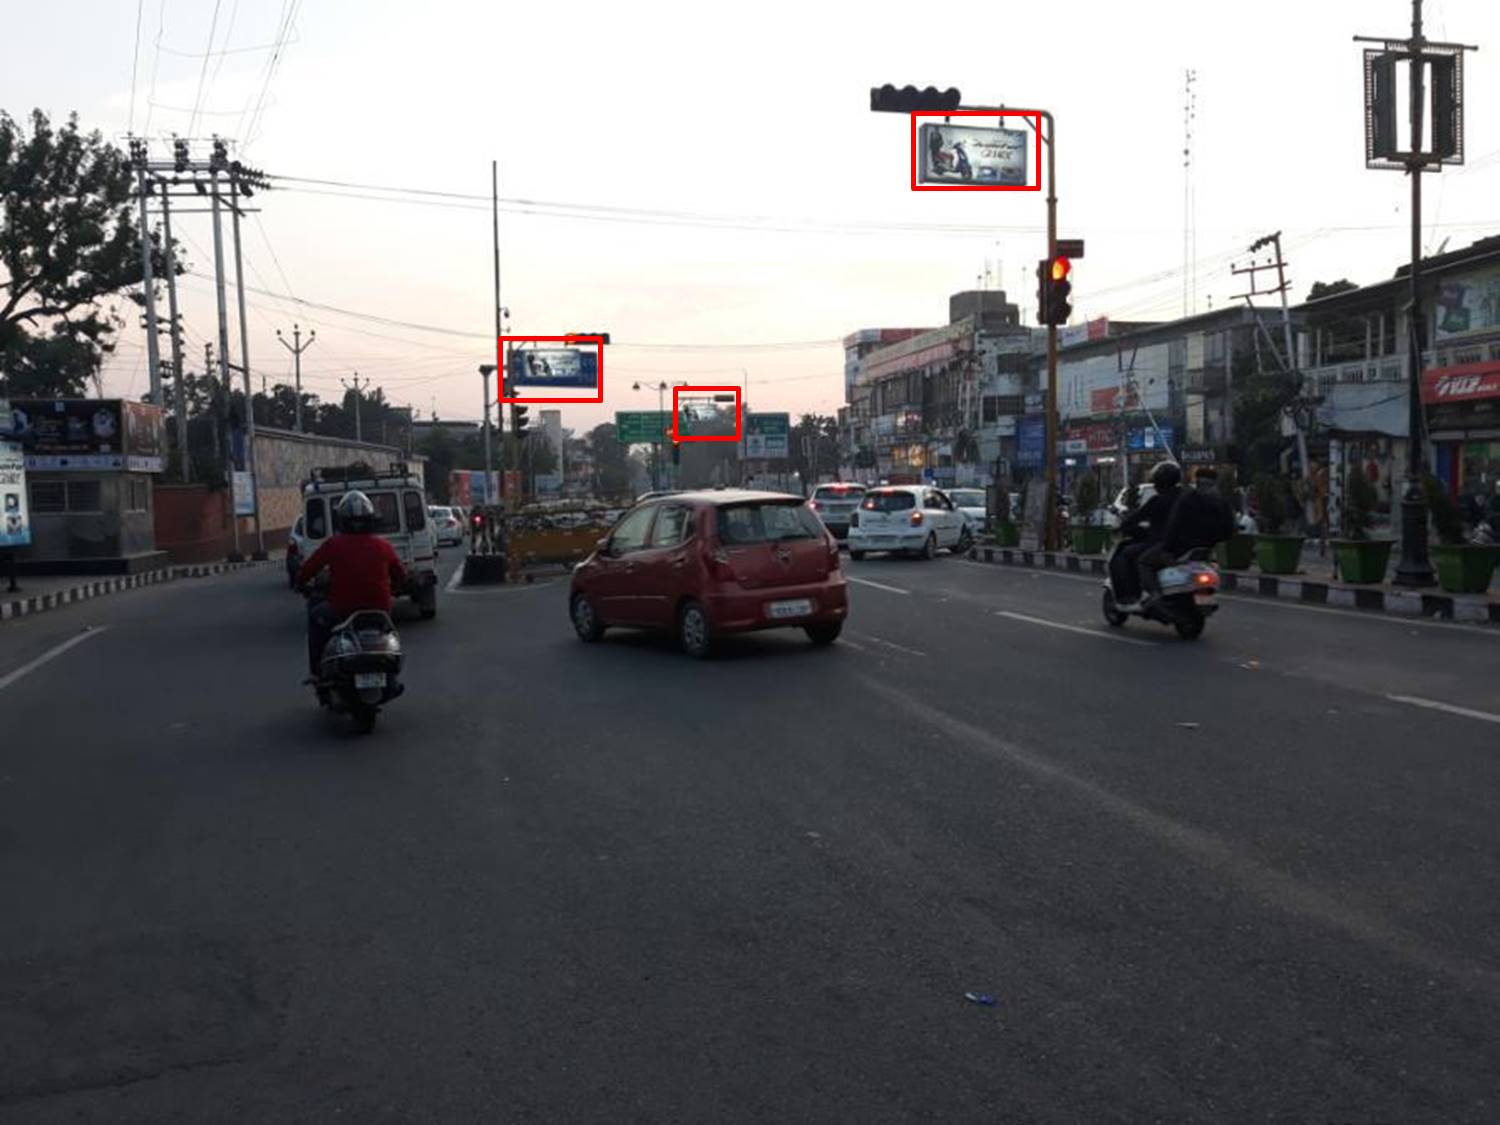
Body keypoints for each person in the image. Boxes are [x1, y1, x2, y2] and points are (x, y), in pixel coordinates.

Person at [296, 491, 407, 678]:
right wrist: (395, 589)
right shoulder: (383, 546)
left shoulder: (333, 545)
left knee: (315, 617)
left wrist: (301, 584)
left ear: (342, 520)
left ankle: (317, 668)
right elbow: (400, 575)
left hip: (342, 609)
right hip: (380, 608)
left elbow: (308, 569)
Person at [1139, 466, 1235, 607]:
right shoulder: (1223, 502)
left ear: (1197, 481)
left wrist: (1166, 548)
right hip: (1206, 550)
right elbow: (1229, 530)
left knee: (1144, 561)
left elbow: (1174, 525)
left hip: (1181, 548)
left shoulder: (1189, 499)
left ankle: (1155, 594)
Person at [1112, 461, 1182, 608]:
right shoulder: (1185, 497)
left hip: (1161, 544)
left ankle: (1140, 593)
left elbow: (1136, 518)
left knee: (1127, 553)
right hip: (1183, 545)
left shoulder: (1158, 500)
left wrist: (1123, 526)